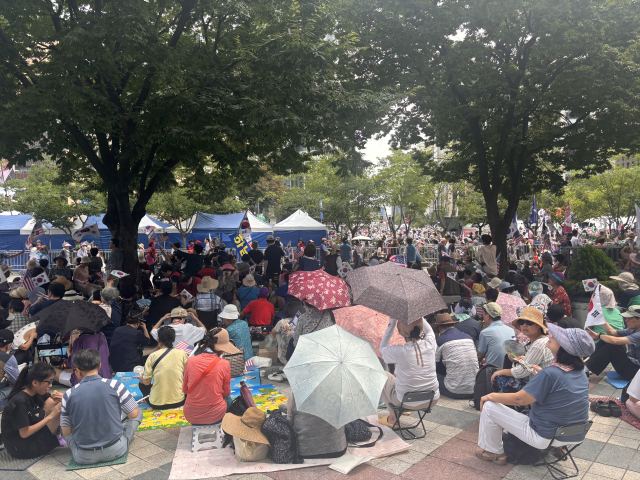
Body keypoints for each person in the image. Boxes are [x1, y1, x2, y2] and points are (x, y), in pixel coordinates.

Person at [476, 324, 593, 465]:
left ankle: (494, 453)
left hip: (544, 436)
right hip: (575, 434)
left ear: (565, 348)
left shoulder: (550, 373)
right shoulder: (580, 372)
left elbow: (520, 399)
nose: (550, 336)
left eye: (557, 337)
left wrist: (490, 396)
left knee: (489, 407)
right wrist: (541, 373)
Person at [60, 349, 142, 465]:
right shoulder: (115, 385)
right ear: (99, 366)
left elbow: (66, 432)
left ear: (78, 371)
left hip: (83, 456)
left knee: (63, 424)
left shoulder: (68, 394)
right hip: (116, 450)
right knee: (137, 411)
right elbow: (133, 414)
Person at [378, 317, 439, 428]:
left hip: (405, 402)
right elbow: (429, 330)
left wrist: (392, 322)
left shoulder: (399, 351)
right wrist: (418, 316)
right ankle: (401, 411)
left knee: (382, 375)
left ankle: (393, 418)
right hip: (432, 399)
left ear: (400, 331)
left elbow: (382, 348)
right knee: (398, 377)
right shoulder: (430, 344)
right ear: (421, 329)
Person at [1, 363, 63, 459]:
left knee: (58, 403)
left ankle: (57, 436)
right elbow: (24, 433)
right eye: (49, 381)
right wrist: (51, 416)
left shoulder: (34, 392)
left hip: (23, 440)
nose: (51, 385)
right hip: (23, 448)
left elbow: (52, 401)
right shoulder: (20, 402)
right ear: (35, 383)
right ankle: (62, 437)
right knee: (60, 410)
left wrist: (63, 397)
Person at [183, 329, 237, 425]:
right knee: (228, 398)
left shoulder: (190, 361)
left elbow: (185, 389)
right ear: (221, 348)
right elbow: (226, 392)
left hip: (190, 414)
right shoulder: (224, 364)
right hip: (216, 414)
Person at [491, 307, 553, 390]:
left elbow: (522, 372)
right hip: (539, 382)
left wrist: (500, 372)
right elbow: (529, 365)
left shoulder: (539, 344)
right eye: (521, 322)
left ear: (538, 325)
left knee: (500, 379)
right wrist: (518, 359)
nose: (524, 325)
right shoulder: (538, 341)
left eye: (529, 322)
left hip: (541, 387)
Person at [585, 305, 640, 381]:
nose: (626, 320)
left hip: (636, 373)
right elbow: (611, 332)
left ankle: (585, 370)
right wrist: (600, 318)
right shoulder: (633, 330)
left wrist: (599, 335)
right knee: (606, 339)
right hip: (631, 366)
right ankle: (587, 366)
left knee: (611, 346)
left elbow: (616, 341)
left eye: (629, 318)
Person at [139, 326, 188, 409]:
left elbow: (147, 383)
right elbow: (187, 377)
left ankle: (146, 399)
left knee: (142, 382)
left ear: (158, 339)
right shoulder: (182, 353)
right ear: (173, 339)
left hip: (156, 403)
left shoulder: (152, 356)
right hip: (180, 400)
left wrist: (142, 379)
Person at [434, 313, 478, 399]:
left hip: (454, 390)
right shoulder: (468, 338)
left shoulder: (440, 341)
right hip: (474, 388)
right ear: (454, 325)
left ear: (440, 328)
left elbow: (435, 366)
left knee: (433, 374)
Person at [478, 303, 514, 367]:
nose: (482, 316)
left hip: (492, 371)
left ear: (488, 316)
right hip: (509, 369)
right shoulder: (511, 330)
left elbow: (480, 355)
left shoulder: (485, 332)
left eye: (483, 314)